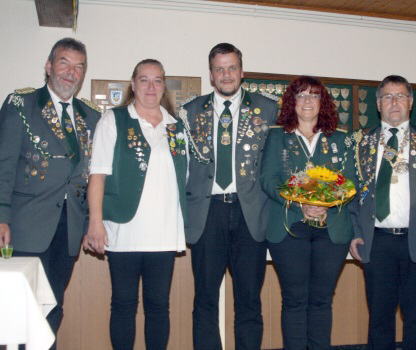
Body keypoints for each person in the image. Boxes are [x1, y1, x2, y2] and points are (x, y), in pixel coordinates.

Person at [0, 37, 100, 346]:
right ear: (49, 66)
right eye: (64, 63)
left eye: (79, 67)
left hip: (68, 229)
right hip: (27, 225)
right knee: (20, 309)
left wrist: (86, 225)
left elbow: (89, 177)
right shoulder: (22, 104)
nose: (72, 72)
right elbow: (3, 164)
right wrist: (1, 216)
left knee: (53, 305)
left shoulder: (91, 116)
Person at [179, 43, 278, 349]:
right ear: (210, 74)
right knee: (205, 299)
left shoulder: (268, 109)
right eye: (219, 69)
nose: (226, 75)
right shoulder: (190, 111)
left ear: (242, 71)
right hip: (208, 214)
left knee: (249, 300)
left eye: (232, 67)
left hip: (250, 214)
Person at [84, 59, 187, 350]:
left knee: (158, 307)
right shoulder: (113, 120)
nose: (151, 87)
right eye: (144, 80)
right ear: (133, 84)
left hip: (164, 233)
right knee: (123, 305)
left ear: (164, 85)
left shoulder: (176, 126)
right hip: (123, 230)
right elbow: (98, 174)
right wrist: (95, 221)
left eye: (157, 80)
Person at [349, 75, 416, 350]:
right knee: (380, 318)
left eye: (401, 96)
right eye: (388, 97)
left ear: (411, 102)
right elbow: (351, 192)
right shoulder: (360, 142)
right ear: (379, 104)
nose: (395, 102)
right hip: (377, 240)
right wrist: (356, 233)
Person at [260, 75, 355, 349]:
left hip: (331, 229)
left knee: (322, 300)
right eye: (301, 95)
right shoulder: (277, 136)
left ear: (322, 102)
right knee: (294, 300)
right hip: (289, 228)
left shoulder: (340, 139)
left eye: (314, 95)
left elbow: (351, 181)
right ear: (292, 101)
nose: (307, 101)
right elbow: (267, 179)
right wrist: (300, 204)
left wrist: (327, 204)